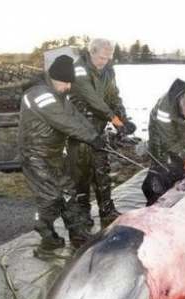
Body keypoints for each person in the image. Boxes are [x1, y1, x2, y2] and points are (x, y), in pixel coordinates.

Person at [18, 55, 106, 248]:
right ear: (55, 78)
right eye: (66, 83)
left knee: (69, 191)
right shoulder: (39, 94)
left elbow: (75, 116)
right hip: (35, 155)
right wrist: (90, 138)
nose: (69, 87)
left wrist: (95, 134)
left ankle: (76, 231)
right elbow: (63, 122)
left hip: (55, 153)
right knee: (50, 196)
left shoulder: (59, 95)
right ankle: (43, 225)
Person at [67, 38, 136, 228]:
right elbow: (92, 99)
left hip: (98, 127)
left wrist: (123, 119)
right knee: (80, 174)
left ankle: (107, 209)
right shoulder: (78, 68)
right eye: (100, 58)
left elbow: (113, 96)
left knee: (102, 170)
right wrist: (114, 119)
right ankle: (82, 212)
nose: (103, 62)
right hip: (79, 127)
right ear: (91, 53)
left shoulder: (109, 70)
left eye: (107, 58)